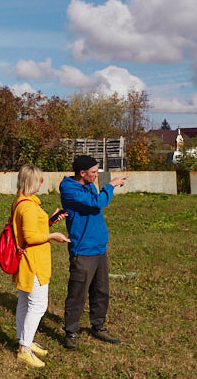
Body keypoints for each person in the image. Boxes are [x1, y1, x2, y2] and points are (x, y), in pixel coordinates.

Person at [59, 154, 127, 348]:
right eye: (94, 172)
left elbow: (96, 200)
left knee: (101, 291)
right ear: (82, 173)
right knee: (78, 293)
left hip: (99, 248)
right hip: (83, 250)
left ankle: (98, 326)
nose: (97, 175)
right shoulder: (70, 190)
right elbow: (97, 203)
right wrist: (111, 185)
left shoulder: (88, 184)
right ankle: (71, 331)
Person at [10, 164, 69, 368]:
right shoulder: (27, 206)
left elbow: (33, 227)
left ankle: (23, 339)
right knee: (38, 305)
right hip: (33, 262)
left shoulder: (25, 201)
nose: (42, 182)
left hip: (29, 260)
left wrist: (50, 220)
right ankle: (24, 349)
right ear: (31, 182)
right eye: (39, 180)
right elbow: (29, 237)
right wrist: (52, 236)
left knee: (25, 302)